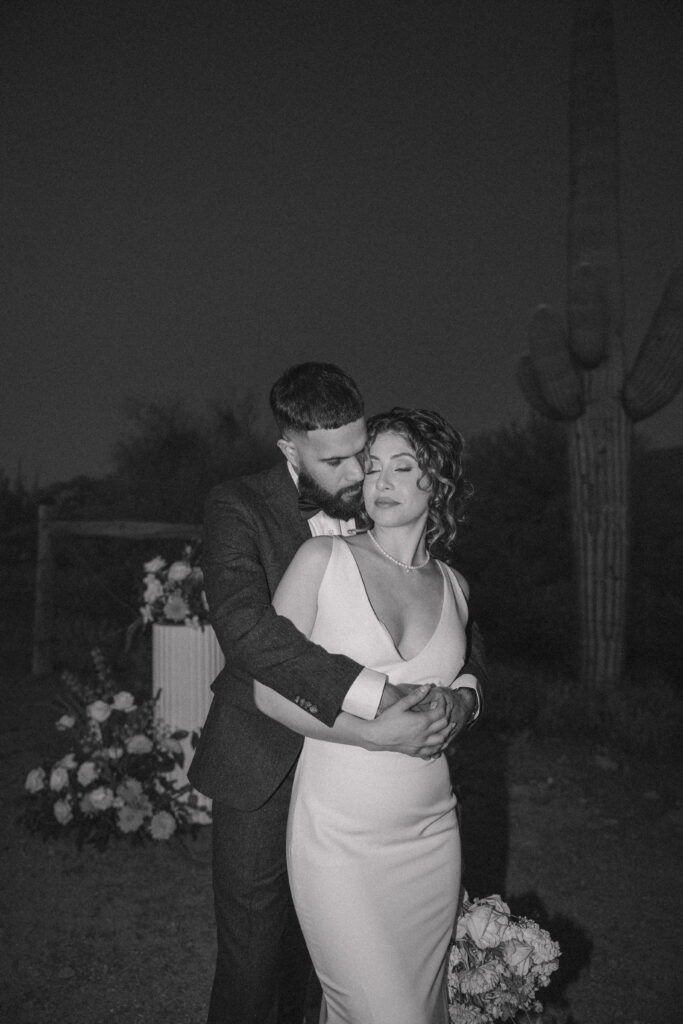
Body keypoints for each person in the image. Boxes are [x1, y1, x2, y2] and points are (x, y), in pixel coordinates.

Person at [188, 364, 485, 1024]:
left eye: (367, 453)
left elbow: (463, 641)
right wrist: (377, 699)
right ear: (291, 451)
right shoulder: (237, 504)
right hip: (264, 765)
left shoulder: (395, 513)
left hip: (388, 801)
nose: (358, 474)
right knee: (254, 966)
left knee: (328, 974)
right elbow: (246, 629)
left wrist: (461, 701)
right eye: (340, 459)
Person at [254, 406, 474, 1024]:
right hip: (339, 840)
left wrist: (461, 701)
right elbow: (269, 694)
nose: (380, 481)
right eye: (372, 467)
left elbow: (460, 685)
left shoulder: (455, 586)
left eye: (403, 468)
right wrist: (374, 735)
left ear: (439, 483)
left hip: (432, 836)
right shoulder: (322, 561)